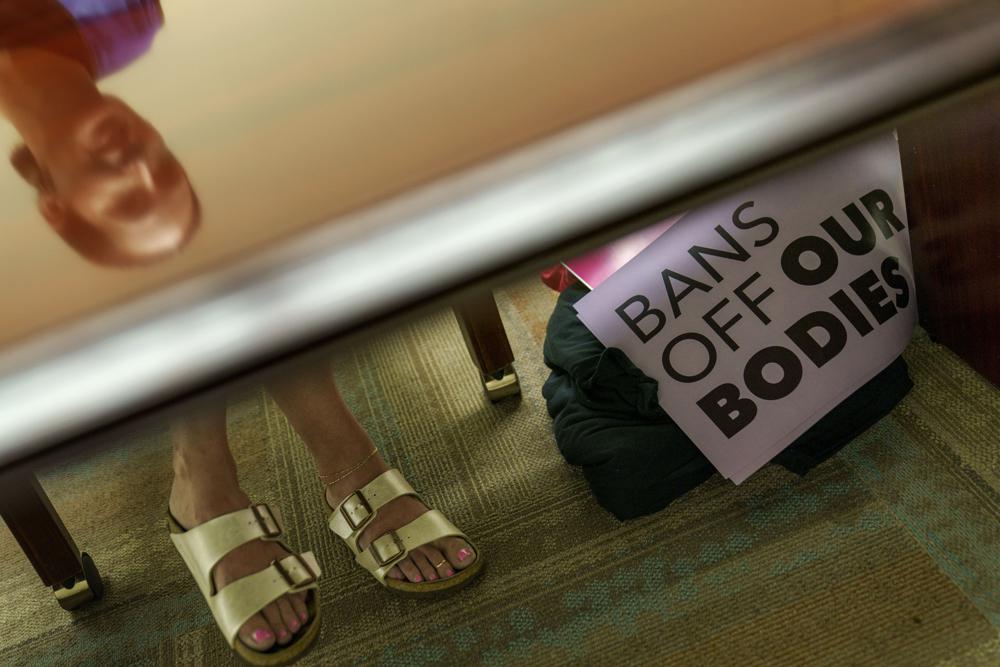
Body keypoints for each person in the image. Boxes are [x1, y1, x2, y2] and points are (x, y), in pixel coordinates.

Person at [0, 3, 482, 663]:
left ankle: (228, 478)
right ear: (52, 207)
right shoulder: (119, 21)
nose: (140, 164)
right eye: (151, 179)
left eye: (159, 169)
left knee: (228, 164)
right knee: (198, 195)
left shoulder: (128, 18)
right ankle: (250, 466)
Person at [0, 0, 199, 266]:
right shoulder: (127, 20)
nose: (139, 166)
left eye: (129, 203)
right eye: (166, 168)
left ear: (54, 208)